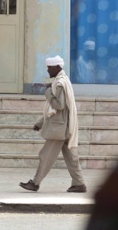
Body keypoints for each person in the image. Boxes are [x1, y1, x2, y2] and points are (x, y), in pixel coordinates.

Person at [19, 55, 87, 193]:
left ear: (57, 67)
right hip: (63, 126)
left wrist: (48, 92)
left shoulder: (60, 83)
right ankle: (79, 184)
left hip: (59, 128)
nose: (48, 71)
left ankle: (35, 183)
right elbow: (52, 110)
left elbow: (59, 105)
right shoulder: (62, 80)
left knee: (46, 155)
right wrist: (40, 123)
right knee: (72, 157)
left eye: (49, 68)